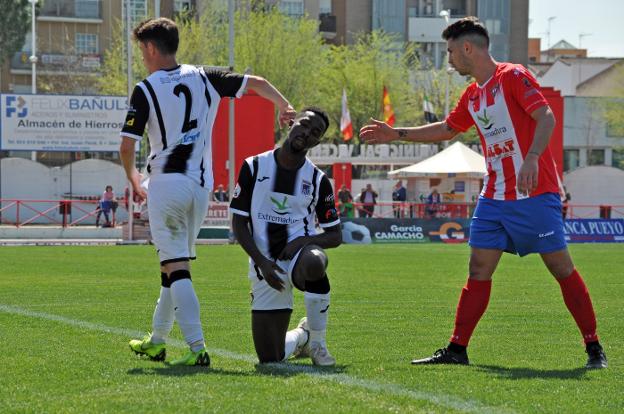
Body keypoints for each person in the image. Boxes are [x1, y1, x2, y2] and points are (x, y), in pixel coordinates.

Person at [359, 17, 607, 369]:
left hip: (534, 194)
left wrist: (532, 157)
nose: (448, 61)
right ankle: (457, 350)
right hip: (494, 196)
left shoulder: (513, 76)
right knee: (478, 269)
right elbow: (447, 129)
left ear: (467, 49)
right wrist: (395, 133)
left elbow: (546, 117)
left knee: (561, 268)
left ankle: (594, 347)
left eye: (449, 52)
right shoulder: (473, 95)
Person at [119, 17, 296, 366]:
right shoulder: (205, 76)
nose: (142, 56)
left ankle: (198, 348)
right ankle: (156, 340)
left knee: (176, 266)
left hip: (167, 185)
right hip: (201, 187)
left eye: (142, 49)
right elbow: (257, 83)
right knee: (172, 267)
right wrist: (284, 106)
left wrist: (132, 177)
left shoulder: (146, 88)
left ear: (152, 48)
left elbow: (127, 145)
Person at [230, 107, 342, 365]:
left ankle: (317, 343)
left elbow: (335, 235)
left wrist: (302, 241)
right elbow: (239, 222)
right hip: (265, 264)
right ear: (291, 123)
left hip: (297, 259)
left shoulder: (317, 179)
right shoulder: (254, 166)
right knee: (271, 358)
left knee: (315, 261)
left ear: (317, 141)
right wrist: (261, 262)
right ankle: (302, 337)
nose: (307, 133)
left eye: (315, 133)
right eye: (304, 124)